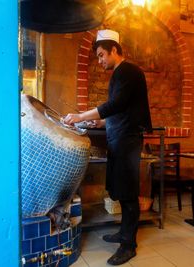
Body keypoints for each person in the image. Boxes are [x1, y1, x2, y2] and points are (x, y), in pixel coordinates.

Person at [64, 29, 152, 266]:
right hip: (118, 137)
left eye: (102, 55)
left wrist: (81, 115)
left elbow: (116, 103)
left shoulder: (129, 71)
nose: (100, 60)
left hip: (127, 140)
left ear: (114, 50)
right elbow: (121, 109)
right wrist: (100, 122)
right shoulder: (119, 74)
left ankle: (128, 245)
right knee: (120, 190)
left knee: (128, 192)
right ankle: (124, 233)